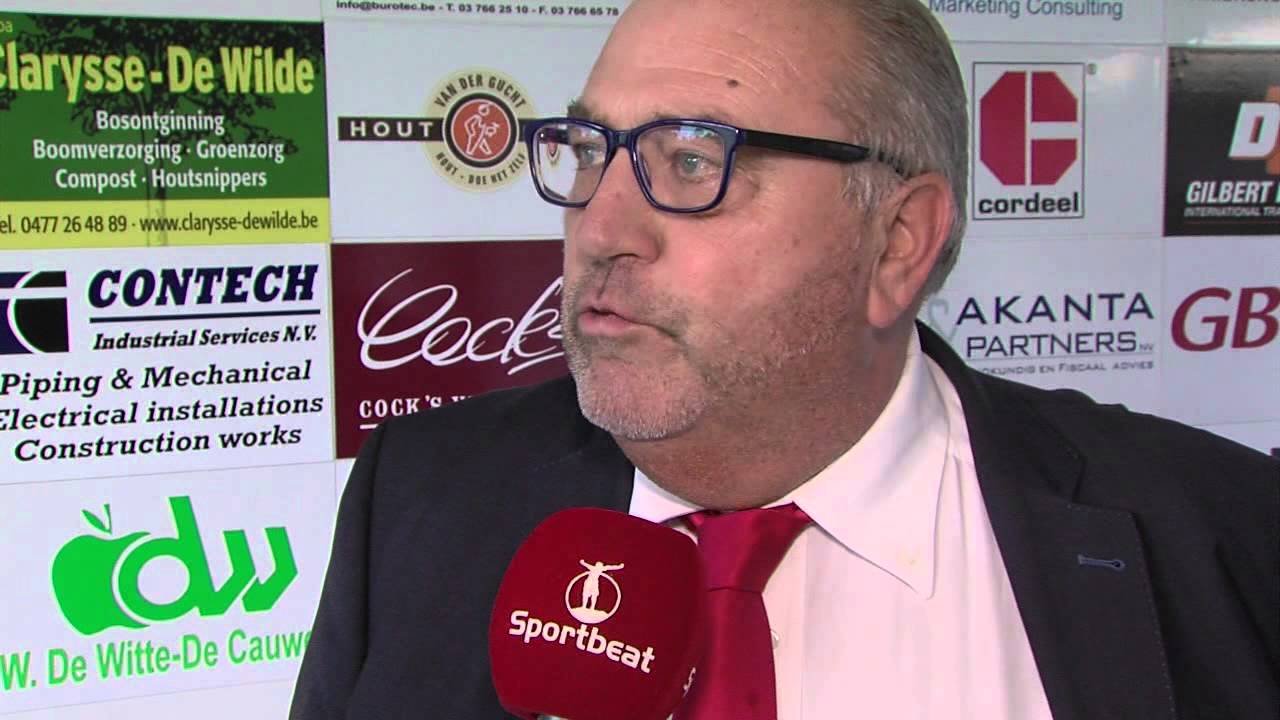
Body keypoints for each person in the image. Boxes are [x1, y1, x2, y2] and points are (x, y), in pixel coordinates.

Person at [290, 1, 1279, 718]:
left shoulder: (1224, 534)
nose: (601, 227)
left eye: (691, 161)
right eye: (590, 150)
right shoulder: (420, 492)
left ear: (896, 242)